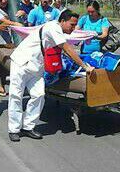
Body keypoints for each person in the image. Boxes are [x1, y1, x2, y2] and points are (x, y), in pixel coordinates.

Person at [7, 10, 95, 142]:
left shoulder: (58, 30)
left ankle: (28, 127)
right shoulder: (53, 28)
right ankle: (13, 129)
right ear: (63, 21)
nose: (73, 28)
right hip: (21, 63)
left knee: (39, 95)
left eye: (75, 25)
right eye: (72, 24)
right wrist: (85, 67)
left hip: (36, 66)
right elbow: (67, 48)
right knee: (16, 96)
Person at [0, 0, 23, 96]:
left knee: (13, 63)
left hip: (11, 41)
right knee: (2, 65)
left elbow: (21, 11)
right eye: (1, 0)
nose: (4, 1)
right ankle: (2, 86)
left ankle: (15, 84)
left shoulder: (10, 7)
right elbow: (3, 21)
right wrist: (15, 23)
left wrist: (23, 13)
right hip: (1, 42)